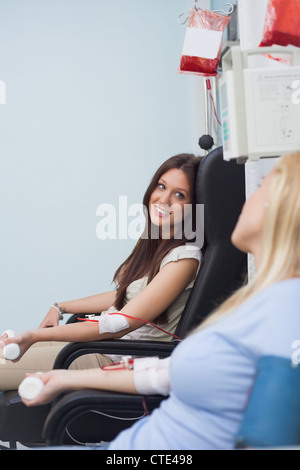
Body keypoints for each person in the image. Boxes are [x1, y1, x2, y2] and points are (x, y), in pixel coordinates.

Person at [21, 151, 300, 450]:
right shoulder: (254, 301)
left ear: (283, 209)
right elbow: (164, 371)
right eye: (162, 186)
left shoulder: (286, 307)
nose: (246, 197)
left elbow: (273, 436)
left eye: (261, 186)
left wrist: (40, 339)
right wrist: (62, 377)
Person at [0, 154, 203, 390]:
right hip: (96, 348)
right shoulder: (156, 242)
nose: (164, 199)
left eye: (180, 195)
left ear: (194, 206)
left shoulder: (184, 259)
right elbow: (125, 295)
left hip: (112, 360)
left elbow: (120, 324)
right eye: (161, 186)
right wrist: (60, 306)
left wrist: (33, 336)